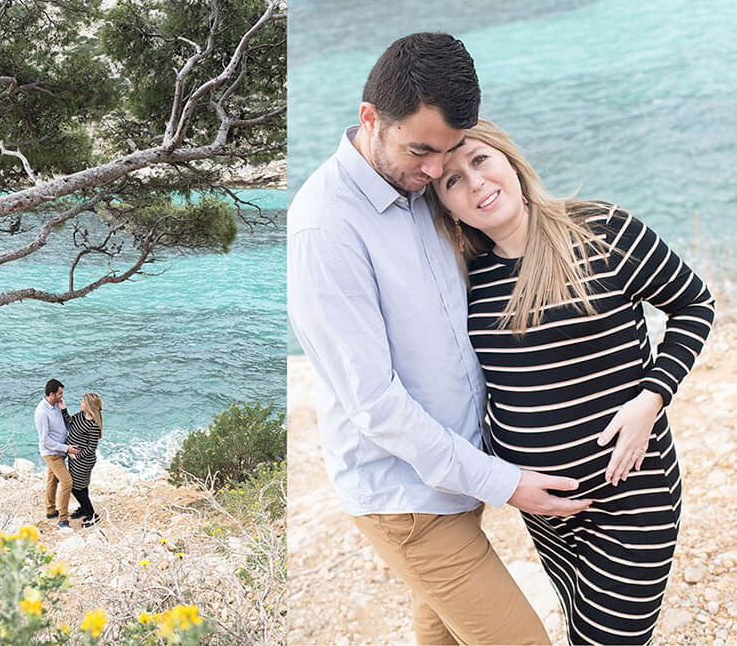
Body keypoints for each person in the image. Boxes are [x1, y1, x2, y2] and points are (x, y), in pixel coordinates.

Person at [288, 32, 587, 645]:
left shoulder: (421, 187)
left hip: (456, 476)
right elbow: (375, 403)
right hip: (406, 497)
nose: (433, 170)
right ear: (370, 119)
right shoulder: (325, 227)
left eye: (447, 152)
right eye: (421, 150)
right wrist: (506, 483)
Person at [432, 118, 715, 645]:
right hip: (546, 513)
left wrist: (650, 400)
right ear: (446, 207)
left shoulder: (602, 230)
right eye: (451, 181)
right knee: (583, 632)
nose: (474, 184)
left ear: (509, 159)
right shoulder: (468, 277)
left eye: (479, 160)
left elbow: (695, 303)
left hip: (634, 493)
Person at [34, 379, 80, 529]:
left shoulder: (57, 406)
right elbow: (45, 440)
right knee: (67, 482)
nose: (62, 396)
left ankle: (50, 510)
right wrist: (66, 448)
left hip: (60, 449)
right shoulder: (41, 412)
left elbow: (68, 424)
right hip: (52, 452)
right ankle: (63, 519)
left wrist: (64, 409)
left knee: (52, 480)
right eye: (60, 393)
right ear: (52, 394)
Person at [61, 392, 103, 527]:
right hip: (74, 459)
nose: (81, 403)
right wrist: (63, 409)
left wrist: (76, 456)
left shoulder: (94, 425)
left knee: (75, 487)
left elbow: (91, 448)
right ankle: (84, 508)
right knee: (82, 486)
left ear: (89, 406)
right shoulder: (81, 415)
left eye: (83, 402)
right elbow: (69, 422)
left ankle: (92, 515)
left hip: (83, 461)